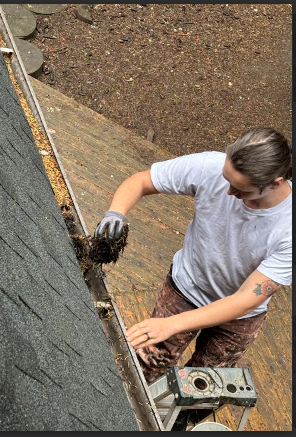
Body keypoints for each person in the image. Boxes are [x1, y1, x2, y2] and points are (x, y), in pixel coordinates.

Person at [95, 127, 292, 429]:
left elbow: (243, 300)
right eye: (227, 180)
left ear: (275, 183)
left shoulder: (288, 227)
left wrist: (172, 324)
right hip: (185, 288)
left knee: (201, 390)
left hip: (237, 318)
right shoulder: (210, 167)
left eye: (240, 189)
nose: (228, 192)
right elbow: (142, 181)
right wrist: (115, 214)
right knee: (144, 365)